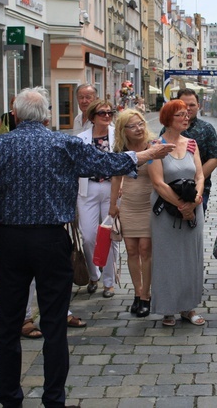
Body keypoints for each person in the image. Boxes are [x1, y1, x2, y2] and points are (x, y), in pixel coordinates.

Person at [0, 86, 173, 407]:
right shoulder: (63, 142)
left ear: (16, 115)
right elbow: (106, 163)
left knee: (8, 323)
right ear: (47, 116)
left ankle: (9, 398)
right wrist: (144, 155)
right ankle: (54, 399)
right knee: (54, 322)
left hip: (10, 240)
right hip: (51, 240)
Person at [150, 100, 206, 327]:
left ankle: (188, 307)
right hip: (166, 211)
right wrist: (181, 207)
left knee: (191, 258)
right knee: (167, 258)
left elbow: (200, 176)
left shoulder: (192, 144)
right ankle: (167, 309)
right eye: (180, 115)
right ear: (168, 119)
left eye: (187, 114)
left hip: (193, 208)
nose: (186, 118)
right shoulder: (156, 146)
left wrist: (193, 204)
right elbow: (158, 183)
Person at [110, 109, 156, 317]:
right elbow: (116, 177)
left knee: (146, 249)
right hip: (129, 204)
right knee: (131, 250)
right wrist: (113, 204)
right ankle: (137, 293)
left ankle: (146, 294)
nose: (138, 129)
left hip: (149, 204)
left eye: (141, 124)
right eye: (133, 126)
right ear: (123, 130)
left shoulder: (153, 146)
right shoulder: (121, 148)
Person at [77, 100, 118, 298]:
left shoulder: (117, 136)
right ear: (93, 117)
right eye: (102, 113)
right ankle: (94, 274)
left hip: (112, 189)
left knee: (109, 236)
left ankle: (109, 282)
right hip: (87, 190)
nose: (107, 116)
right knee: (88, 237)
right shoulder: (81, 138)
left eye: (110, 113)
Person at [162, 88, 217, 212]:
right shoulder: (167, 129)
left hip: (199, 189)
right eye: (184, 104)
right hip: (172, 189)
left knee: (194, 223)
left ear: (198, 106)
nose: (188, 108)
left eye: (192, 105)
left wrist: (193, 181)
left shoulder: (207, 128)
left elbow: (214, 158)